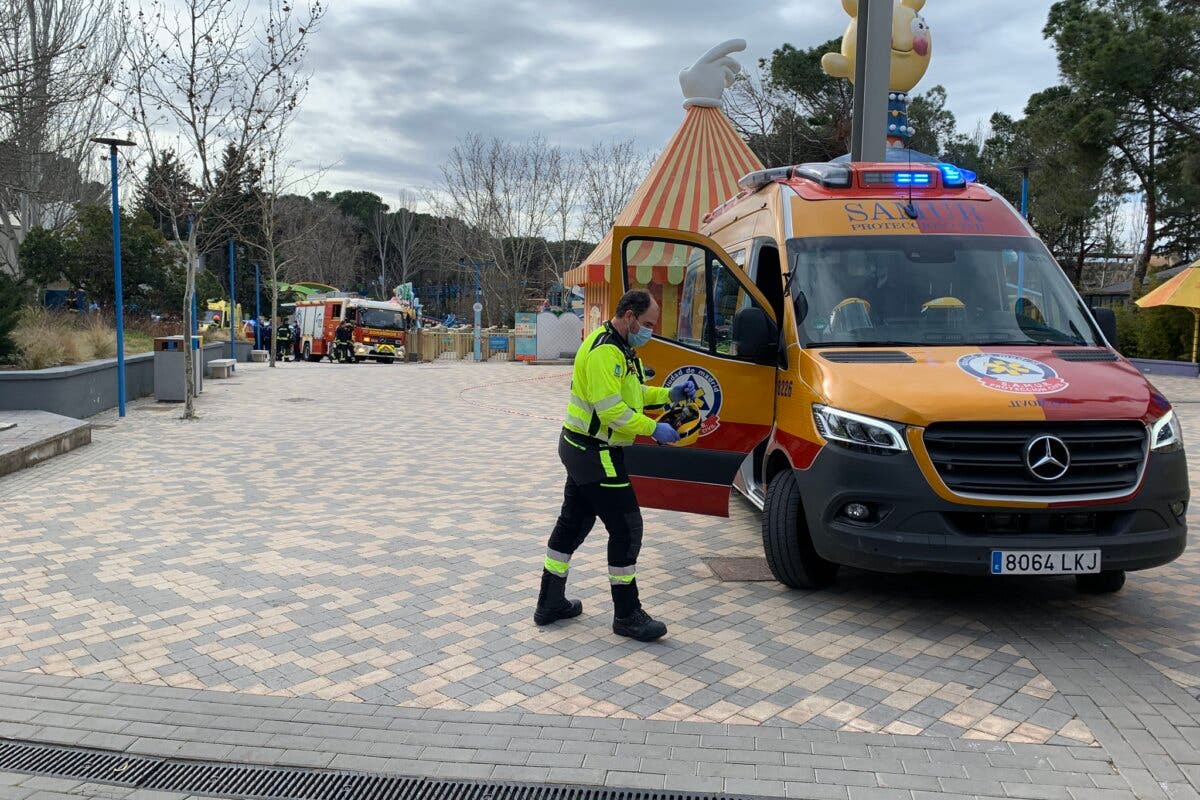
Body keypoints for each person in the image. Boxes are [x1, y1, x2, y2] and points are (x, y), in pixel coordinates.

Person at [534, 289, 696, 642]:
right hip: (595, 452)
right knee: (626, 528)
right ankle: (627, 614)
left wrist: (670, 395)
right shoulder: (605, 352)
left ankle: (550, 602)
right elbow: (612, 413)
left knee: (572, 524)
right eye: (648, 324)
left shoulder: (622, 349)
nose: (650, 330)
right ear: (629, 316)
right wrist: (656, 428)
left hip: (582, 448)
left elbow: (633, 394)